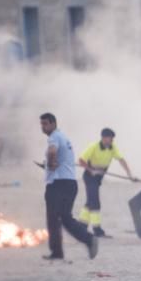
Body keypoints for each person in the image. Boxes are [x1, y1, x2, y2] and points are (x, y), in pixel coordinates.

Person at [39, 112, 97, 261]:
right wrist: (48, 164)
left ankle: (57, 252)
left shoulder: (54, 137)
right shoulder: (63, 137)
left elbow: (52, 151)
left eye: (45, 124)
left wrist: (50, 164)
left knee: (53, 218)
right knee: (65, 217)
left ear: (53, 124)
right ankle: (88, 239)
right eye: (41, 124)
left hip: (58, 184)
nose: (43, 127)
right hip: (70, 183)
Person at [77, 128, 134, 238]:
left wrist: (129, 174)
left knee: (90, 201)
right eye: (110, 138)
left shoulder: (112, 148)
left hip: (99, 177)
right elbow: (81, 160)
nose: (112, 140)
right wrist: (91, 170)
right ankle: (97, 230)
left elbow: (121, 160)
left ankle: (81, 226)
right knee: (95, 202)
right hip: (90, 176)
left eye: (112, 138)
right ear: (103, 138)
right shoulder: (93, 147)